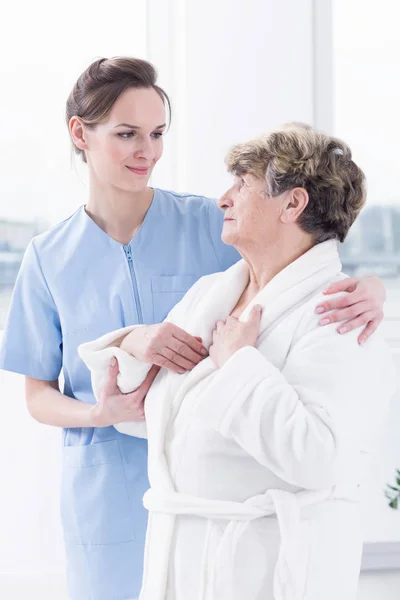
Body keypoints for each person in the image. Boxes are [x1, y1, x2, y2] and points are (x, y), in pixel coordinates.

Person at [0, 56, 386, 600]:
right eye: (128, 134)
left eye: (157, 133)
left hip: (226, 493)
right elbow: (37, 392)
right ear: (79, 134)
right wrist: (104, 402)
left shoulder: (213, 222)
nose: (148, 151)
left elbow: (310, 243)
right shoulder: (46, 257)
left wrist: (373, 287)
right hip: (109, 482)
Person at [80, 123, 395, 600]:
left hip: (261, 571)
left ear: (292, 204)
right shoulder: (213, 294)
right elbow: (150, 414)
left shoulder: (338, 313)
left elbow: (317, 458)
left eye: (242, 184)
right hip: (183, 556)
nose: (223, 199)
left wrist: (241, 364)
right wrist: (136, 341)